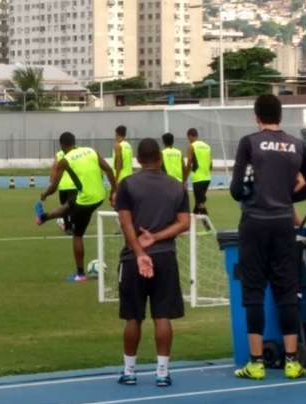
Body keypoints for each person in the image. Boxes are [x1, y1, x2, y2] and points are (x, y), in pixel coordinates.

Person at [229, 94, 306, 380]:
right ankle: (292, 361)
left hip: (254, 222)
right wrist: (288, 194)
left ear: (257, 116)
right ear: (280, 115)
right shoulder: (297, 144)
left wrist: (252, 195)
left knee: (253, 290)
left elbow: (236, 189)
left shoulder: (250, 143)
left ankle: (256, 363)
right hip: (283, 224)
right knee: (287, 290)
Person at [116, 138, 190, 387]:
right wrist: (157, 237)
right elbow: (184, 223)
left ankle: (129, 371)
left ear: (138, 159)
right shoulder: (177, 187)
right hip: (165, 256)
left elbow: (126, 223)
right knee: (162, 316)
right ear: (159, 158)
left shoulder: (127, 185)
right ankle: (162, 371)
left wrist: (139, 252)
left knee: (133, 317)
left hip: (133, 258)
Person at [35, 132, 117, 282]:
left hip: (86, 201)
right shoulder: (90, 151)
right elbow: (109, 169)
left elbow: (54, 187)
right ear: (74, 142)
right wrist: (114, 190)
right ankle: (43, 217)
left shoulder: (64, 160)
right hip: (99, 196)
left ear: (62, 145)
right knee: (69, 205)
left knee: (77, 235)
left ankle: (80, 274)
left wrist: (45, 195)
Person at [186, 129, 212, 215]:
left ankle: (208, 227)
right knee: (198, 202)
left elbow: (189, 162)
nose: (188, 140)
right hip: (207, 178)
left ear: (190, 136)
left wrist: (185, 176)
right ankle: (191, 225)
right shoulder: (207, 146)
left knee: (200, 203)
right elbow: (211, 163)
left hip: (197, 178)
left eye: (188, 138)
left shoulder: (192, 146)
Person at [54, 147, 78, 235]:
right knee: (73, 207)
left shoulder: (59, 154)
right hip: (73, 185)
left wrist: (53, 181)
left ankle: (68, 228)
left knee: (64, 207)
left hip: (63, 186)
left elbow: (55, 168)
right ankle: (72, 225)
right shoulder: (76, 154)